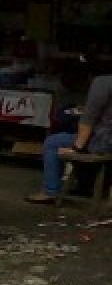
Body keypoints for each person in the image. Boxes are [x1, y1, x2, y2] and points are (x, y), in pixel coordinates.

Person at [25, 73, 112, 204]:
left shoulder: (103, 82)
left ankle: (50, 192)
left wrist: (76, 148)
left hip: (105, 144)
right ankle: (86, 186)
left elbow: (87, 120)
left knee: (53, 142)